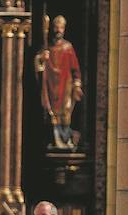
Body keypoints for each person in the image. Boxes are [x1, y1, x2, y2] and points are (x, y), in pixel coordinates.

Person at [34, 15, 83, 149]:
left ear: (64, 29)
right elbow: (39, 64)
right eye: (56, 27)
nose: (58, 30)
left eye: (61, 27)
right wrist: (41, 59)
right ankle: (55, 140)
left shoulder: (68, 48)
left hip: (65, 86)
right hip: (51, 87)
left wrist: (77, 85)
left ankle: (65, 139)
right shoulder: (47, 48)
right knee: (52, 114)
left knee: (65, 113)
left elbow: (75, 69)